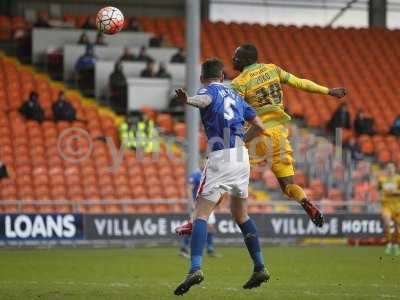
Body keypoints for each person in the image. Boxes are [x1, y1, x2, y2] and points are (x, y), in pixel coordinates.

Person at [173, 58, 268, 295]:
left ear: (203, 78)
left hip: (220, 156)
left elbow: (204, 99)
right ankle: (259, 266)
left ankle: (195, 268)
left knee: (200, 214)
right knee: (240, 214)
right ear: (223, 77)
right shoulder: (236, 96)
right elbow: (260, 125)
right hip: (241, 157)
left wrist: (188, 100)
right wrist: (243, 141)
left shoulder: (207, 90)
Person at [231, 44, 347, 227]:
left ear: (244, 60)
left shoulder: (239, 82)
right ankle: (305, 201)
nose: (233, 59)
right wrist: (328, 91)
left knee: (224, 171)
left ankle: (202, 214)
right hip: (279, 135)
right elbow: (300, 82)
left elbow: (234, 111)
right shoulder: (272, 69)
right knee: (288, 186)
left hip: (257, 135)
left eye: (235, 57)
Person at [179, 164, 220, 259]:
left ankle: (210, 249)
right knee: (193, 226)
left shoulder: (210, 174)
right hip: (198, 205)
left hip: (208, 204)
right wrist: (192, 203)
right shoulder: (196, 174)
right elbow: (189, 188)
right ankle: (184, 248)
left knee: (210, 226)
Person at [378, 163, 400, 256]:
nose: (390, 170)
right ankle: (389, 243)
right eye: (388, 168)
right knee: (388, 223)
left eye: (392, 168)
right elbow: (379, 191)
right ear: (386, 169)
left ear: (395, 169)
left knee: (397, 228)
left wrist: (394, 192)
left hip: (397, 206)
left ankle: (396, 245)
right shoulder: (381, 180)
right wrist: (382, 195)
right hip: (386, 206)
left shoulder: (398, 179)